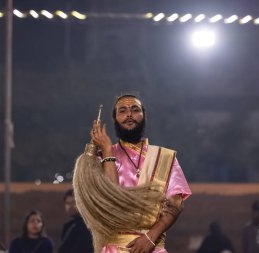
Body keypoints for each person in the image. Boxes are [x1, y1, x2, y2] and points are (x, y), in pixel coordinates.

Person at [73, 94, 192, 252]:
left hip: (153, 247)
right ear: (115, 119)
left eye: (135, 109)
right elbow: (112, 199)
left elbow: (176, 204)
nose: (129, 114)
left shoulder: (165, 157)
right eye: (122, 111)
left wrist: (150, 237)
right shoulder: (99, 157)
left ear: (144, 116)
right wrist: (107, 150)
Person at [58, 189, 93, 253]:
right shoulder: (68, 226)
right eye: (67, 203)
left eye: (74, 202)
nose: (70, 206)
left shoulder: (87, 226)